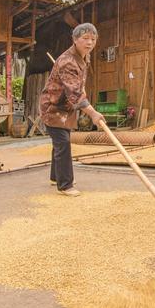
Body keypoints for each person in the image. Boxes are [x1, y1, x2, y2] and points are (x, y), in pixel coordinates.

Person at [39, 23, 105, 197]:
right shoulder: (67, 61)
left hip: (66, 106)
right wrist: (93, 114)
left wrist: (81, 89)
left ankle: (56, 177)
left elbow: (77, 86)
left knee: (61, 141)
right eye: (85, 39)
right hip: (53, 107)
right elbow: (75, 93)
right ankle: (65, 185)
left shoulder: (85, 57)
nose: (89, 42)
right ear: (75, 40)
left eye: (93, 39)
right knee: (63, 144)